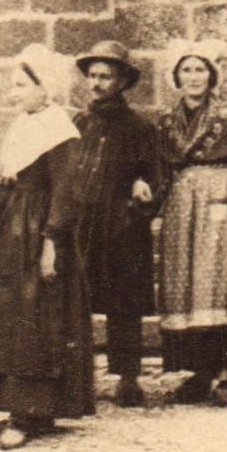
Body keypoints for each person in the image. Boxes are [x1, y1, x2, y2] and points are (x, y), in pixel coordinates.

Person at [0, 44, 96, 450]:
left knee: (34, 316)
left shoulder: (60, 131)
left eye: (20, 85)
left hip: (38, 231)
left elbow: (67, 193)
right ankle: (19, 404)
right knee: (6, 314)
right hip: (10, 227)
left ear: (44, 87)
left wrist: (51, 243)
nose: (13, 94)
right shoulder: (25, 125)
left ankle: (30, 410)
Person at [154, 40, 227, 406]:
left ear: (212, 75)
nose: (193, 77)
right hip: (182, 203)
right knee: (185, 287)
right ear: (176, 77)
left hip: (219, 196)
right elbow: (161, 168)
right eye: (186, 70)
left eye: (200, 70)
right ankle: (198, 372)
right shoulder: (166, 121)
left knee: (217, 284)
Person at [70, 41, 166, 408]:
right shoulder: (79, 123)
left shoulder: (139, 127)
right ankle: (79, 376)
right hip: (83, 226)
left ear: (122, 81)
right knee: (78, 301)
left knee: (124, 303)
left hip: (122, 228)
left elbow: (156, 179)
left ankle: (127, 377)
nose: (96, 83)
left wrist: (140, 203)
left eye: (105, 76)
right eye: (92, 76)